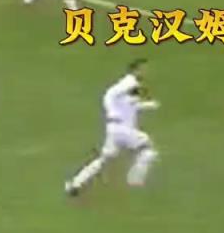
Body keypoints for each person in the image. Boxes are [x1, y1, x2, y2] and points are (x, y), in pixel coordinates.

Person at [65, 60, 159, 196]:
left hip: (114, 130)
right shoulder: (125, 86)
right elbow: (114, 93)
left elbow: (132, 106)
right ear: (135, 70)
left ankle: (76, 184)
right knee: (148, 148)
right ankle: (135, 178)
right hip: (122, 129)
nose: (146, 72)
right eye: (143, 69)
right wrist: (132, 84)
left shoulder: (126, 95)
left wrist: (149, 105)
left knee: (104, 160)